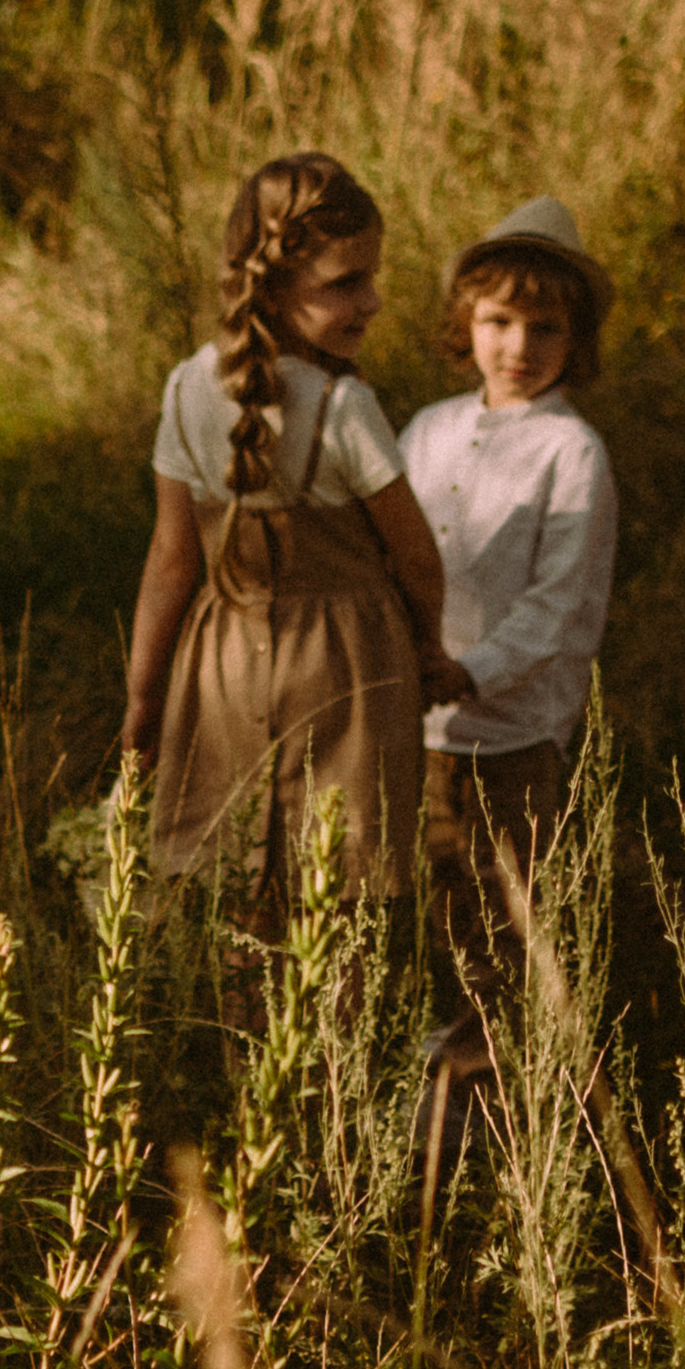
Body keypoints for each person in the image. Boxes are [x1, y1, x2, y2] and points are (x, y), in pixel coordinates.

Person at [123, 152, 465, 906]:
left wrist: (144, 695)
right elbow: (416, 557)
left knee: (237, 877)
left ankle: (247, 984)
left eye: (371, 278)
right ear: (274, 288)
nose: (371, 301)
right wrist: (430, 647)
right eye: (346, 283)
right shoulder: (344, 408)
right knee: (337, 885)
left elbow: (172, 560)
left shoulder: (184, 388)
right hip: (346, 665)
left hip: (221, 663)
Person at [400, 197, 618, 1086]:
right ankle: (456, 1056)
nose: (518, 346)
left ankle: (502, 1077)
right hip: (422, 716)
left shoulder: (571, 452)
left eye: (545, 327)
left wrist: (469, 671)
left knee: (509, 901)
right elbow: (396, 553)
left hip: (514, 725)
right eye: (498, 322)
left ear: (576, 340)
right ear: (467, 322)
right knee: (438, 889)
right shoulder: (430, 429)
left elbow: (556, 605)